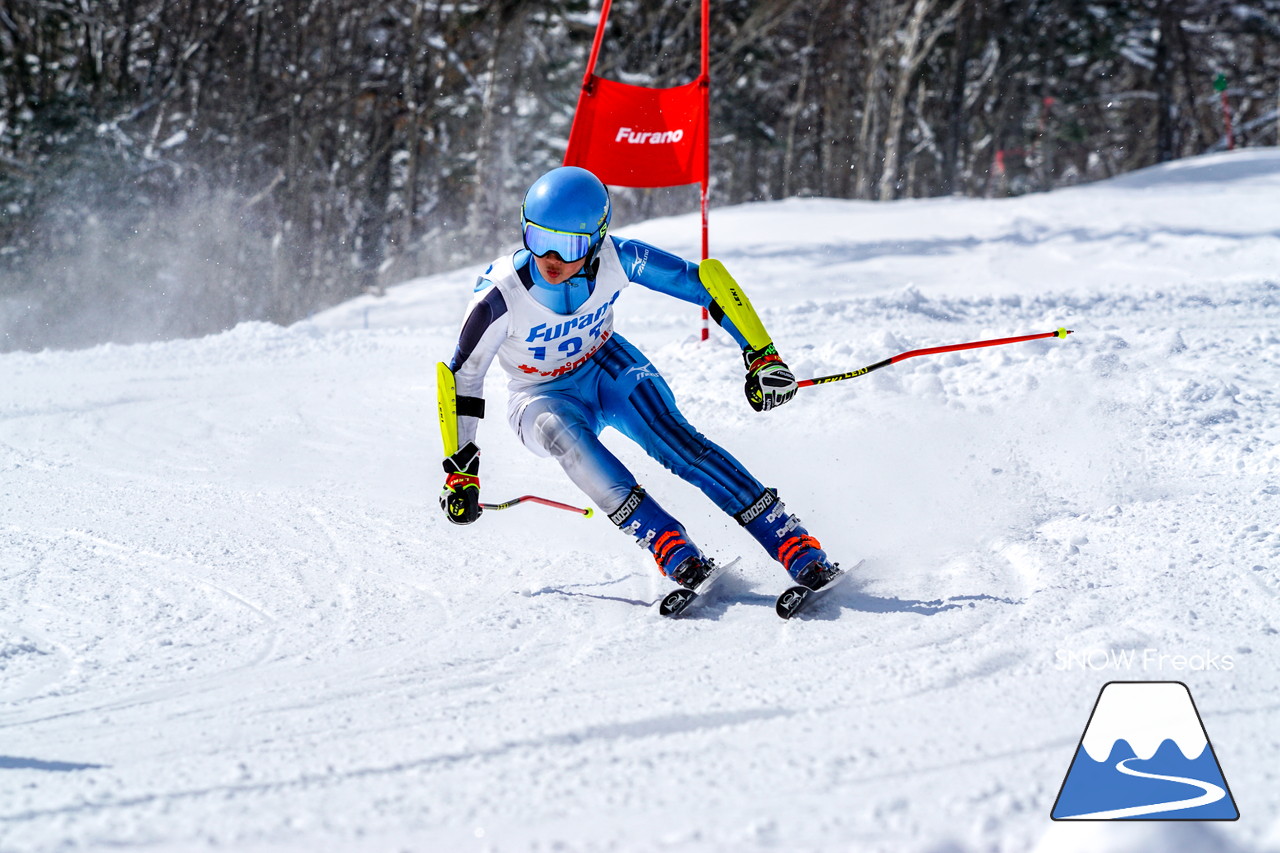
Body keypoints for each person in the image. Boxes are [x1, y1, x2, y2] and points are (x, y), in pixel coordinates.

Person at [437, 166, 840, 591]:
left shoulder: (618, 257)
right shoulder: (499, 297)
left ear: (596, 240)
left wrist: (762, 355)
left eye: (568, 245)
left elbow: (706, 283)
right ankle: (670, 546)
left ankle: (793, 544)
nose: (551, 260)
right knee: (564, 436)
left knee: (678, 444)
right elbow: (463, 377)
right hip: (539, 394)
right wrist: (460, 471)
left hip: (606, 363)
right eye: (539, 240)